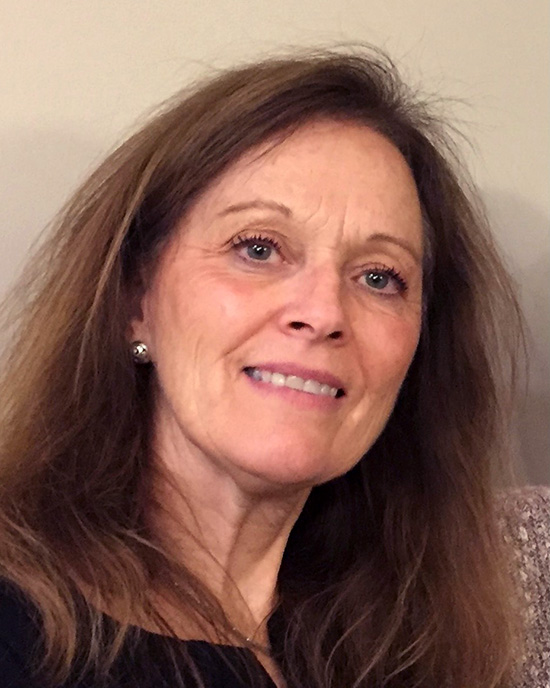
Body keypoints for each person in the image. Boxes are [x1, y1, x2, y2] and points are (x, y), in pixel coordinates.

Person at [0, 47, 548, 688]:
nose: (323, 312)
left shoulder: (414, 638)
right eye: (258, 248)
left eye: (379, 277)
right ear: (136, 301)